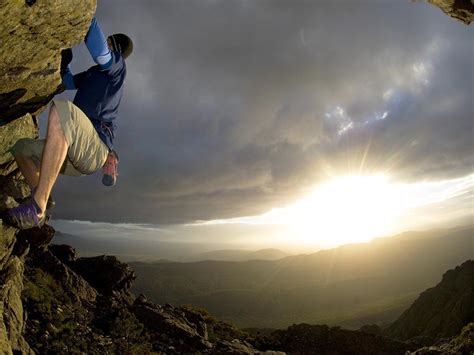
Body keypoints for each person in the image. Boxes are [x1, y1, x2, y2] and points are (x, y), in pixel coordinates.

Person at [5, 16, 133, 230]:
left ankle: (37, 207)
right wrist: (65, 63)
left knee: (62, 110)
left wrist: (86, 17)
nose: (107, 44)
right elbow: (68, 82)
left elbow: (101, 52)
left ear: (115, 47)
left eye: (110, 42)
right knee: (22, 148)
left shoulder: (117, 68)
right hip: (73, 153)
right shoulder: (94, 73)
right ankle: (41, 191)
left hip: (94, 149)